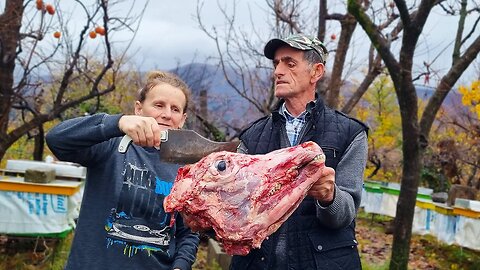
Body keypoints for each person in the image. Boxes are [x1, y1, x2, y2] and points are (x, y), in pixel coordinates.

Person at [230, 34, 368, 269]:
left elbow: (346, 213)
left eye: (289, 63)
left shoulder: (350, 133)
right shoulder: (252, 137)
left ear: (316, 72)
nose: (278, 72)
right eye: (276, 64)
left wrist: (329, 197)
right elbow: (238, 211)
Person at [46, 71, 200, 270]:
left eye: (175, 109)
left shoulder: (187, 169)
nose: (167, 114)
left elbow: (188, 232)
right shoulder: (111, 147)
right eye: (158, 105)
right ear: (138, 109)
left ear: (182, 119)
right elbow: (56, 140)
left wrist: (181, 265)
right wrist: (116, 122)